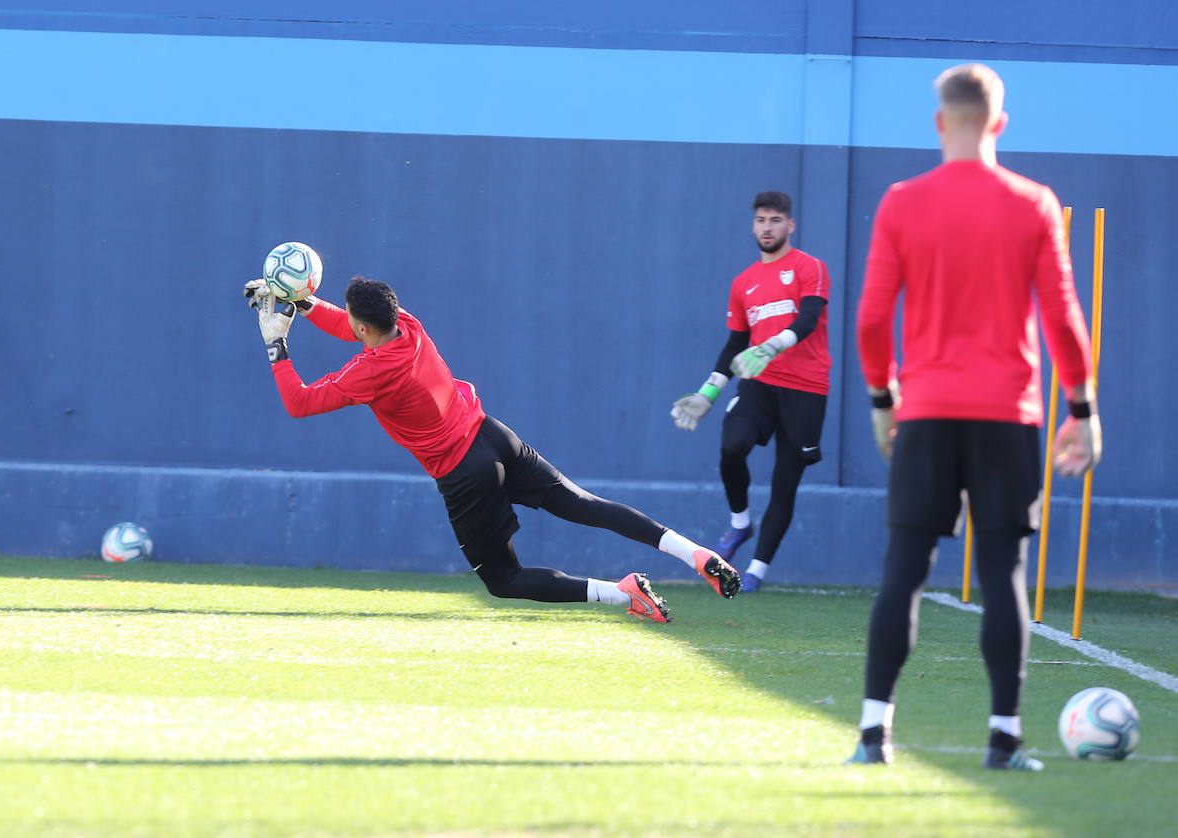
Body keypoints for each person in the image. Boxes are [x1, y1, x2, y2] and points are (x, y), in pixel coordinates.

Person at [849, 63, 1101, 771]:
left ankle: (873, 737)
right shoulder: (1034, 202)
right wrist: (1081, 408)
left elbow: (872, 319)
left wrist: (882, 399)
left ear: (939, 122)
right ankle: (1005, 741)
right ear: (1000, 123)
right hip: (1008, 418)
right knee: (1003, 575)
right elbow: (1063, 319)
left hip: (924, 414)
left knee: (904, 570)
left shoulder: (902, 202)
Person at [242, 275, 743, 623]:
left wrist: (276, 341)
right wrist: (298, 300)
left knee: (504, 580)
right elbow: (350, 324)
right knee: (583, 504)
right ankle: (694, 552)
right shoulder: (407, 325)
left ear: (365, 329)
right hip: (491, 433)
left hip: (465, 472)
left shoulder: (369, 370)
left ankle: (622, 594)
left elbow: (299, 403)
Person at [670, 191, 832, 593]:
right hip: (758, 384)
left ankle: (758, 569)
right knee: (732, 447)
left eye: (775, 220)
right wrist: (708, 393)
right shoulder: (743, 282)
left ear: (789, 226)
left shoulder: (810, 268)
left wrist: (772, 345)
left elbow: (810, 318)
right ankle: (740, 523)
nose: (767, 227)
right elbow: (735, 343)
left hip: (807, 388)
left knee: (785, 480)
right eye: (761, 220)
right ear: (753, 225)